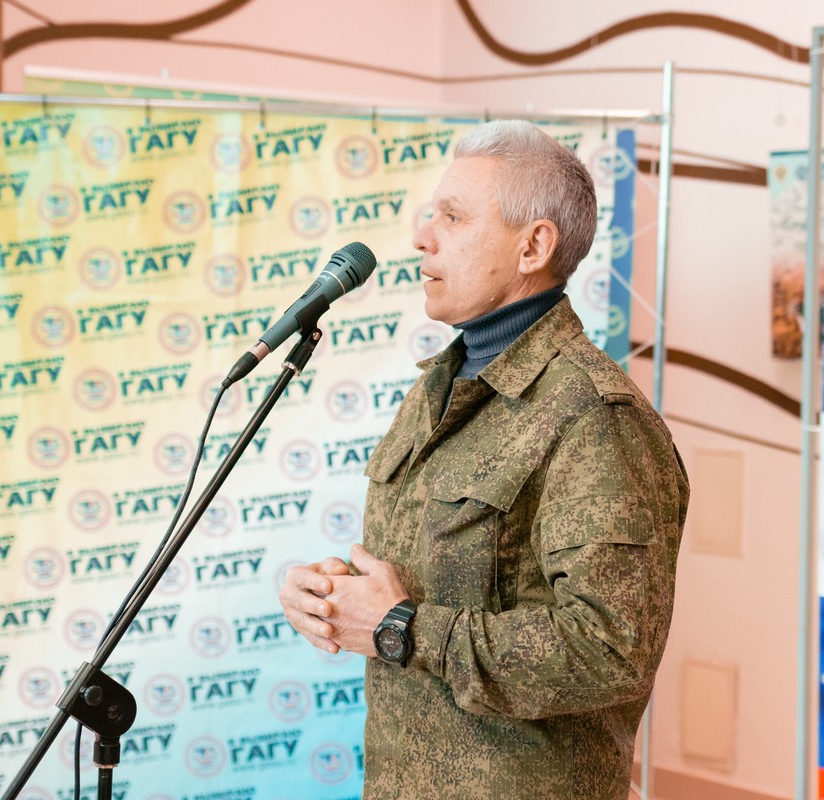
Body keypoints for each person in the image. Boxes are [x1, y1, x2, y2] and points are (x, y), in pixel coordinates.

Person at [279, 120, 688, 799]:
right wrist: (335, 595)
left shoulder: (594, 416)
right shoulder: (438, 387)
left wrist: (404, 629)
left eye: (453, 216)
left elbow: (611, 649)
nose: (422, 236)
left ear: (533, 246)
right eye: (430, 214)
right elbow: (436, 578)